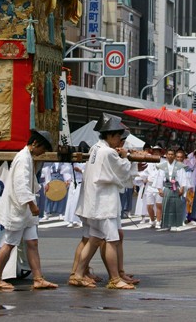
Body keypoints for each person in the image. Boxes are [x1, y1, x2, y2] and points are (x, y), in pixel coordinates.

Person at [0, 130, 58, 291]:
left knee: (32, 243)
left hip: (25, 210)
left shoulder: (28, 158)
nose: (43, 153)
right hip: (19, 209)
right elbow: (21, 185)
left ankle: (38, 278)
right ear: (35, 144)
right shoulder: (23, 159)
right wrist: (32, 205)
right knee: (10, 243)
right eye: (43, 149)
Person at [72, 114, 135, 290]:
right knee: (112, 240)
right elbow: (122, 171)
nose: (119, 141)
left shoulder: (95, 148)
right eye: (117, 136)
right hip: (103, 202)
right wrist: (125, 157)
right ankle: (115, 278)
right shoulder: (108, 152)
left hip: (94, 200)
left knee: (94, 239)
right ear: (110, 136)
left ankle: (77, 274)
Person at [158, 148, 186, 230]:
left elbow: (182, 177)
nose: (170, 156)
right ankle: (167, 224)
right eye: (169, 154)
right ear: (166, 155)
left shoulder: (179, 166)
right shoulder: (162, 166)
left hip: (175, 188)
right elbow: (159, 178)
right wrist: (159, 189)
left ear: (174, 156)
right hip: (166, 187)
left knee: (176, 206)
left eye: (172, 154)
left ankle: (177, 225)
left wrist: (182, 188)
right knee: (166, 206)